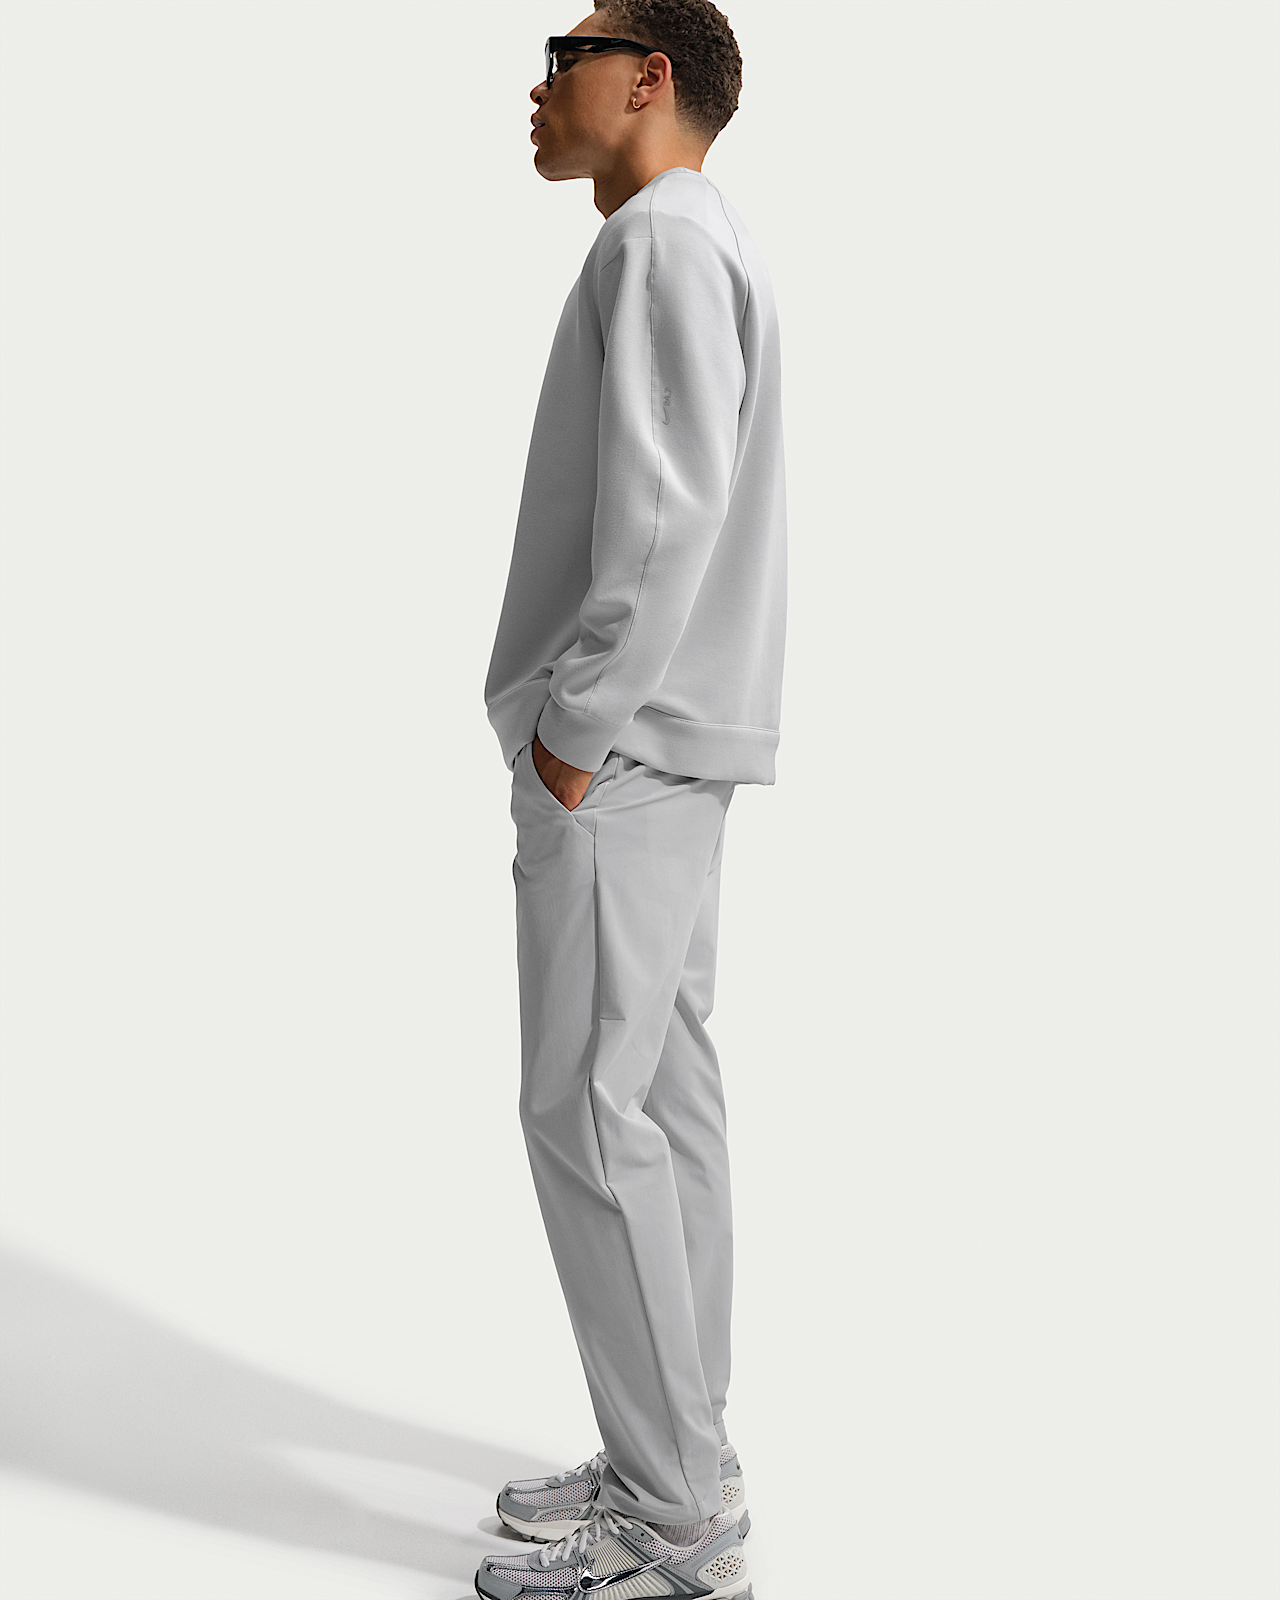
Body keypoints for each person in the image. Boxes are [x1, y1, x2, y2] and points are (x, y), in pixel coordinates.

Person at [476, 5, 784, 1596]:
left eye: (566, 51)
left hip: (626, 749)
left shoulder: (660, 241)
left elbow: (667, 516)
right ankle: (685, 1453)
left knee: (589, 1113)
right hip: (678, 742)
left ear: (649, 75)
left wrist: (571, 731)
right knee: (661, 1099)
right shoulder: (699, 238)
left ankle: (673, 1514)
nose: (538, 86)